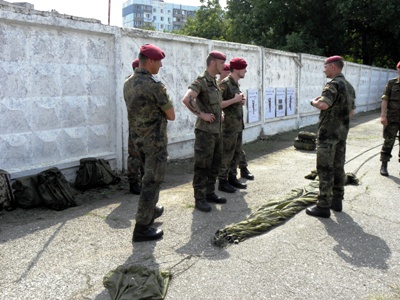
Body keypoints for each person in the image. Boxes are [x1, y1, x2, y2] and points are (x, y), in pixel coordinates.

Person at [124, 44, 175, 241]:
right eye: (159, 61)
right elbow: (171, 115)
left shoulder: (128, 83)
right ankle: (142, 228)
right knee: (152, 182)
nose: (161, 65)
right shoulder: (155, 86)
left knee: (148, 177)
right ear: (151, 61)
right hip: (155, 143)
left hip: (138, 140)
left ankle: (151, 211)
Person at [306, 55, 356, 218]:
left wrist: (313, 102)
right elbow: (352, 111)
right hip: (341, 135)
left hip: (328, 135)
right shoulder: (348, 86)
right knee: (338, 167)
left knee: (325, 169)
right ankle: (337, 200)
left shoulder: (333, 84)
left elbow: (323, 104)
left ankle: (323, 206)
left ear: (333, 67)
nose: (324, 69)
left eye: (325, 67)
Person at [182, 51, 227, 212]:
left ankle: (209, 193)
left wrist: (219, 113)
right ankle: (199, 198)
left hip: (216, 131)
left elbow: (215, 103)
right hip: (205, 132)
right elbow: (187, 99)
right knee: (202, 166)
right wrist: (201, 115)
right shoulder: (201, 81)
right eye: (222, 63)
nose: (224, 66)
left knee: (215, 164)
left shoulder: (214, 82)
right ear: (213, 63)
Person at [218, 57, 249, 193]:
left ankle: (232, 177)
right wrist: (234, 100)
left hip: (237, 125)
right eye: (244, 68)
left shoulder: (235, 83)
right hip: (229, 127)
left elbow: (233, 101)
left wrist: (240, 100)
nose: (246, 71)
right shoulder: (225, 83)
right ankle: (222, 181)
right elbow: (218, 104)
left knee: (236, 153)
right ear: (236, 69)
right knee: (227, 154)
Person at [379, 62, 400, 176]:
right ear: (397, 69)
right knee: (388, 141)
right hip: (392, 118)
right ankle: (384, 165)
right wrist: (383, 115)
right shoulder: (392, 83)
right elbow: (385, 100)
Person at [126, 58, 143, 194]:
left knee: (139, 155)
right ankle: (134, 183)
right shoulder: (135, 83)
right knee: (135, 155)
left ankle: (140, 181)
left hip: (138, 124)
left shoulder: (129, 82)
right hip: (139, 124)